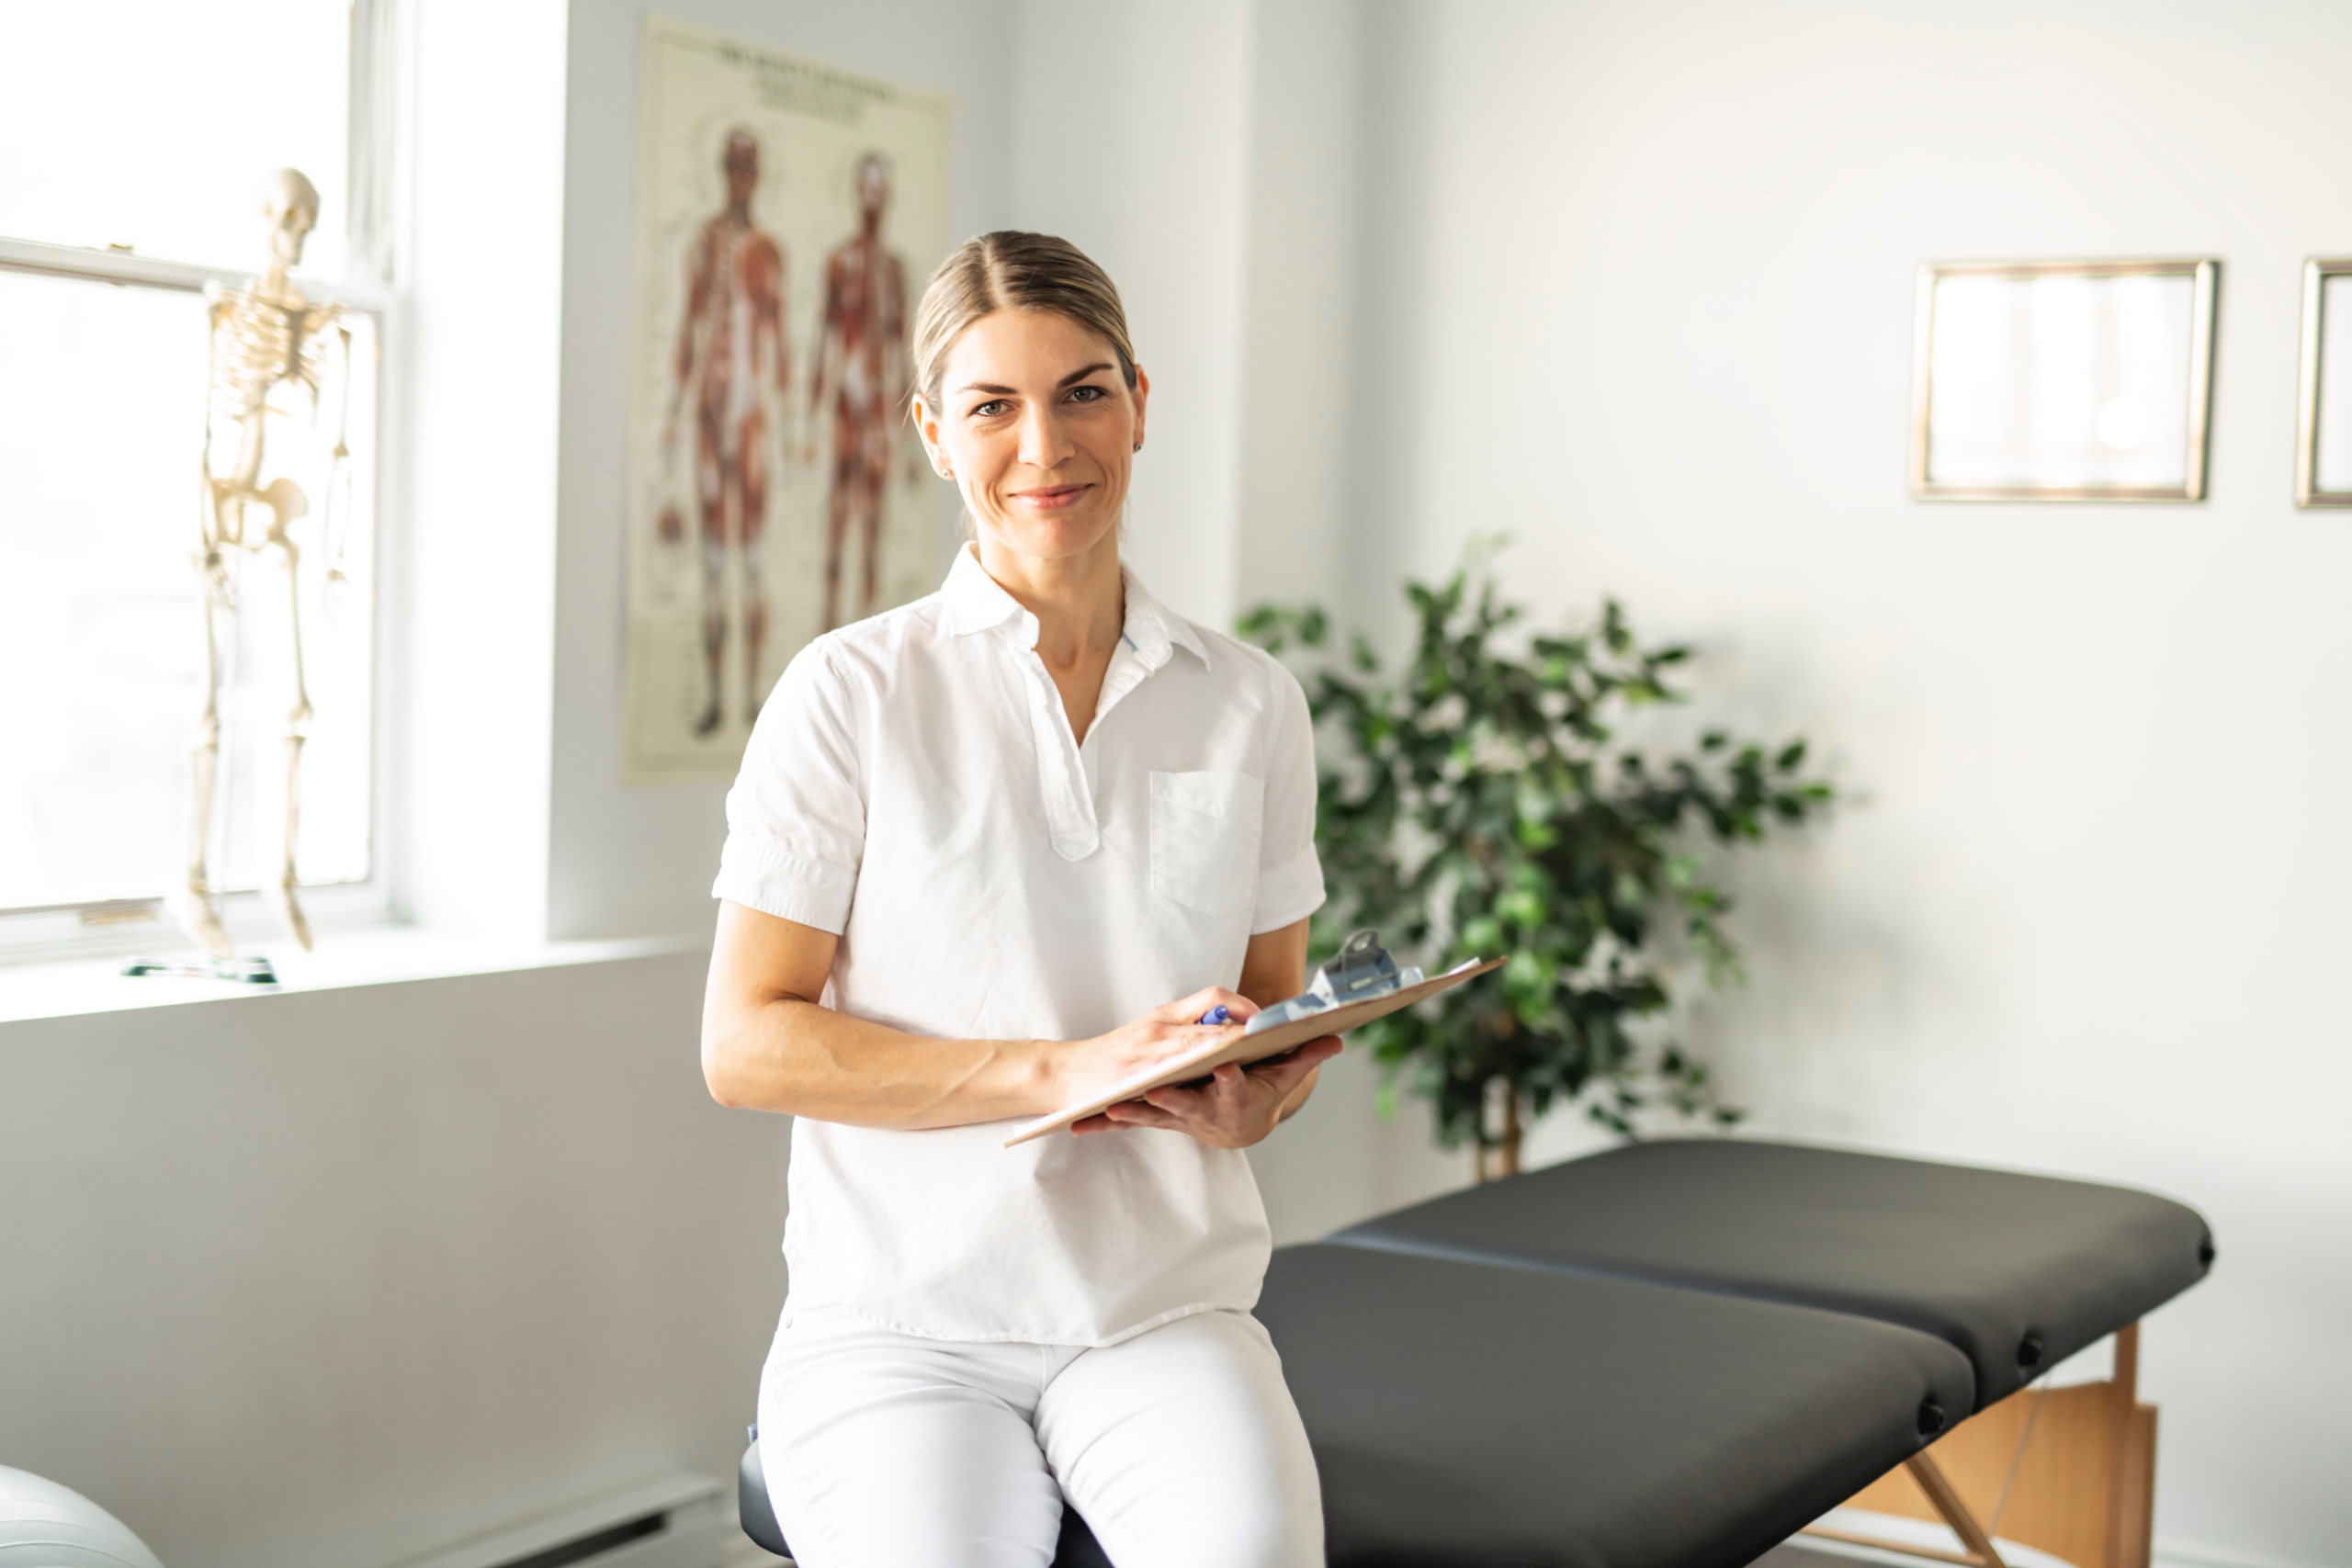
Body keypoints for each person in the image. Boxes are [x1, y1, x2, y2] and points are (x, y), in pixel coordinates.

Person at [702, 230, 1336, 1568]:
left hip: (1166, 1310)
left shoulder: (1251, 699)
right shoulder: (851, 692)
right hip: (900, 1324)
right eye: (994, 405)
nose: (1045, 443)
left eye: (1083, 391)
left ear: (1141, 402)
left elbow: (1277, 1004)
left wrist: (1255, 1089)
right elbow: (746, 1042)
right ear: (937, 432)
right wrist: (1069, 1065)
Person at [665, 127, 789, 737]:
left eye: (749, 167)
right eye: (733, 167)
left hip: (752, 416)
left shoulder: (767, 251)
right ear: (724, 172)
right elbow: (689, 328)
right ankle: (718, 694)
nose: (741, 177)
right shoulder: (704, 242)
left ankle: (756, 694)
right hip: (712, 417)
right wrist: (672, 415)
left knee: (756, 560)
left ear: (757, 175)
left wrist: (791, 425)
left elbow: (778, 338)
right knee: (715, 561)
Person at [805, 151, 915, 632]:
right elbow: (823, 341)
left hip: (880, 413)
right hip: (847, 408)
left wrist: (910, 439)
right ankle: (826, 638)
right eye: (866, 189)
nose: (872, 200)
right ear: (857, 194)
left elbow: (905, 354)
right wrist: (809, 422)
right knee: (837, 521)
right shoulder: (840, 262)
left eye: (879, 190)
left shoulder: (894, 272)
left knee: (872, 530)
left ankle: (868, 641)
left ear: (885, 197)